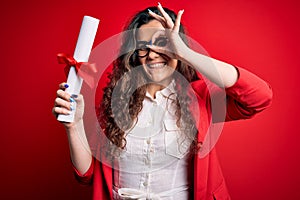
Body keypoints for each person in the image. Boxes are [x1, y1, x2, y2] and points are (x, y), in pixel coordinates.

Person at [52, 3, 272, 200]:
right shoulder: (116, 103)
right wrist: (74, 125)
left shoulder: (200, 98)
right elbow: (86, 176)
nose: (153, 54)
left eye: (163, 43)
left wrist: (185, 53)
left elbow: (259, 97)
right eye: (143, 47)